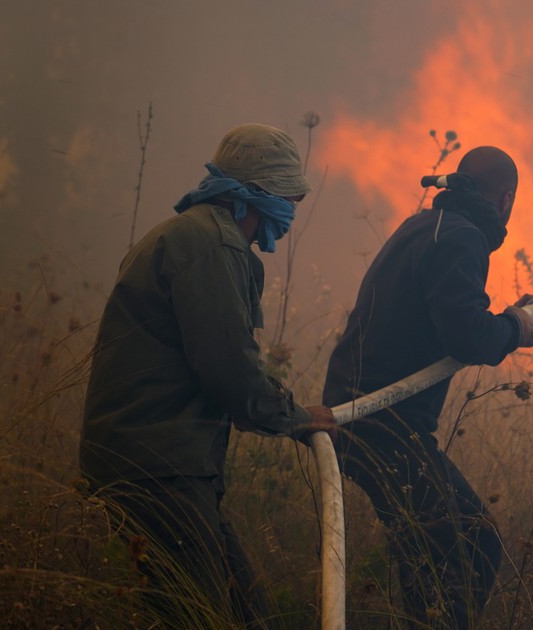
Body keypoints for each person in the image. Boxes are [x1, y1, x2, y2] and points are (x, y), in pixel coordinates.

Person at [80, 123, 336, 628]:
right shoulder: (212, 246)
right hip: (160, 468)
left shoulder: (187, 234)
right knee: (198, 615)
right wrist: (296, 417)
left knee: (239, 611)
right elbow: (229, 372)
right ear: (256, 195)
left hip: (156, 462)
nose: (290, 214)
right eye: (288, 198)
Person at [322, 146, 533, 628]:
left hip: (370, 419)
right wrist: (517, 327)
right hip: (379, 423)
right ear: (506, 199)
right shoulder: (461, 239)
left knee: (452, 545)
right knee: (459, 548)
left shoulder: (425, 227)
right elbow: (468, 336)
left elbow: (452, 321)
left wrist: (509, 322)